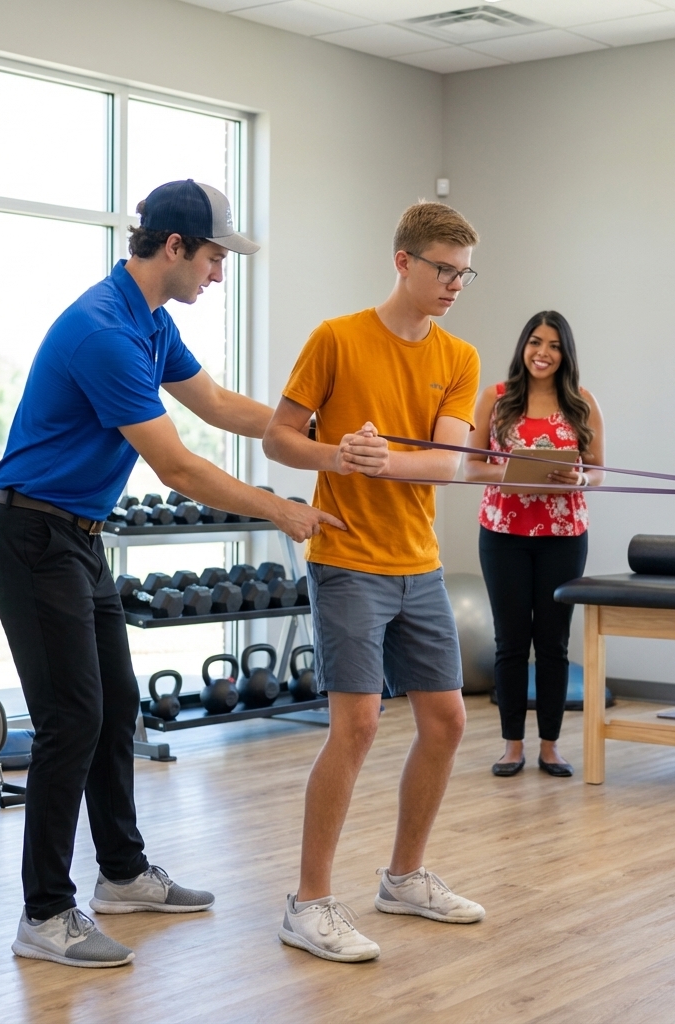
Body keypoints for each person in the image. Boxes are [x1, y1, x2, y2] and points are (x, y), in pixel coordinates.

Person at [0, 179, 343, 970]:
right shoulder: (103, 331)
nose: (218, 273)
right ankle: (44, 916)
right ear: (174, 247)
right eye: (213, 257)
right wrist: (279, 508)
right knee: (72, 718)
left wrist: (318, 425)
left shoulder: (148, 322)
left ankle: (123, 874)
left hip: (75, 536)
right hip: (28, 535)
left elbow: (213, 403)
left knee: (116, 708)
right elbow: (176, 466)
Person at [263, 201, 485, 963]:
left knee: (447, 722)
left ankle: (404, 878)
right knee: (355, 726)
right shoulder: (337, 338)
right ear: (404, 262)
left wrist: (384, 460)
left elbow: (451, 460)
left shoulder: (458, 357)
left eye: (463, 272)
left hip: (417, 562)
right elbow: (281, 438)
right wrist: (335, 458)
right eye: (443, 270)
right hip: (348, 559)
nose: (455, 284)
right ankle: (309, 902)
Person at [463, 311, 605, 778]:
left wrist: (580, 476)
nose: (543, 353)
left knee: (553, 643)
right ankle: (511, 745)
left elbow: (598, 470)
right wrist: (518, 471)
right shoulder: (495, 399)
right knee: (510, 642)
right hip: (503, 534)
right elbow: (470, 467)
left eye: (554, 345)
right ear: (523, 346)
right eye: (535, 342)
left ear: (566, 354)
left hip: (563, 537)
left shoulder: (583, 403)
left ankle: (550, 746)